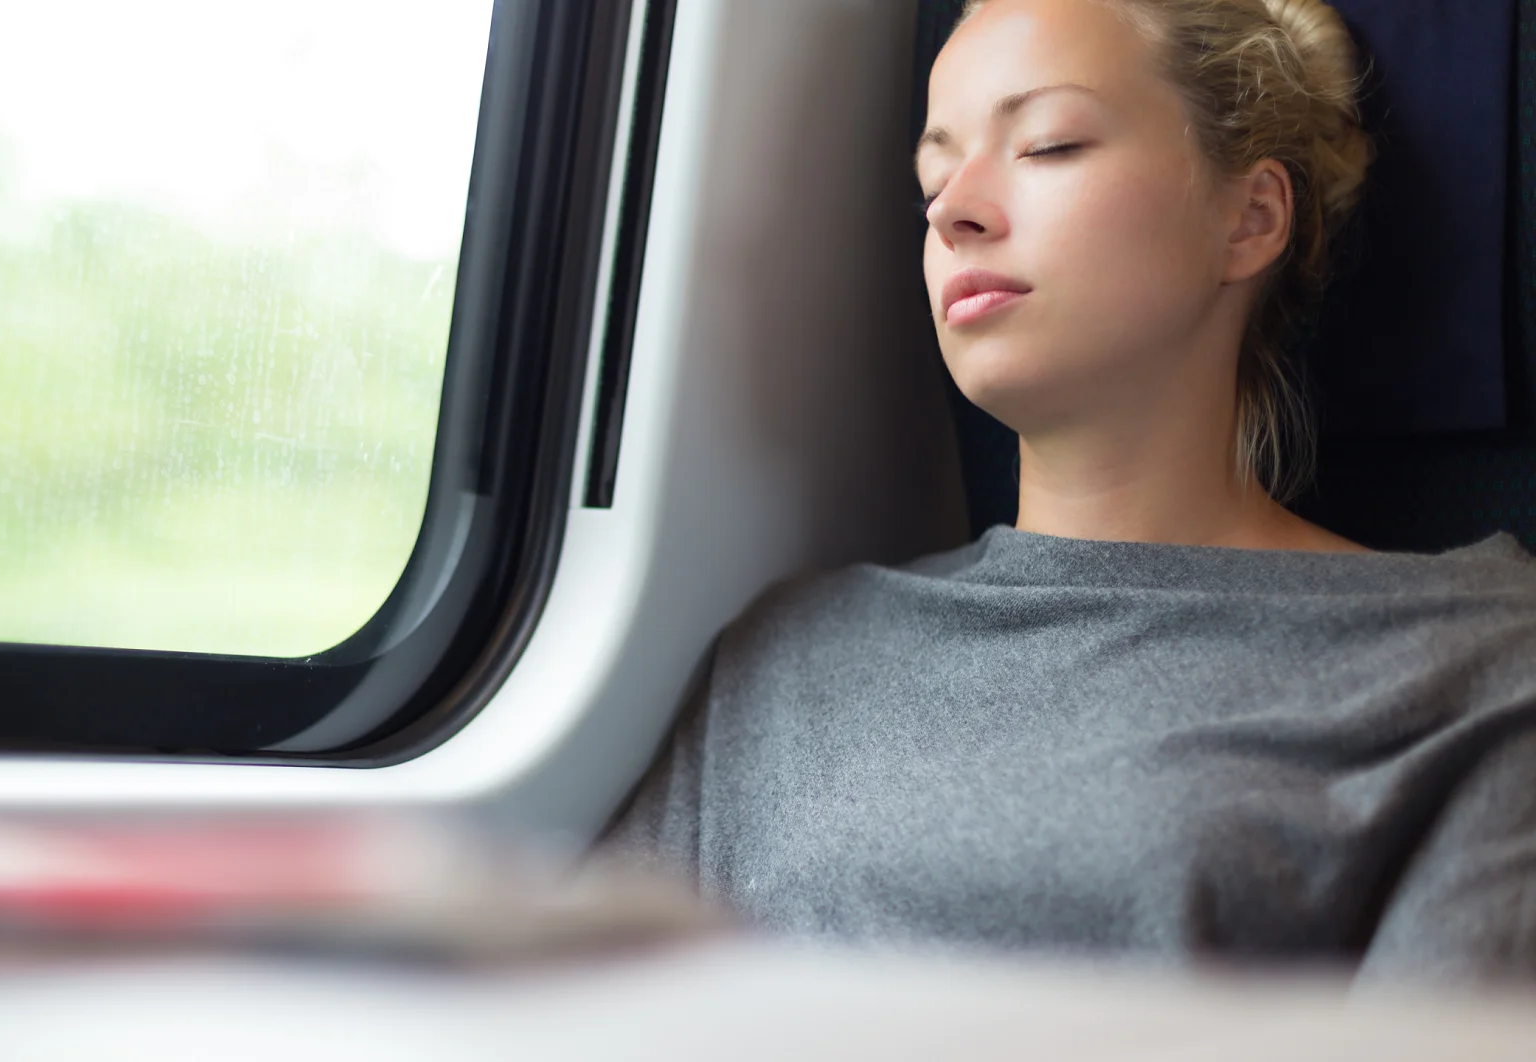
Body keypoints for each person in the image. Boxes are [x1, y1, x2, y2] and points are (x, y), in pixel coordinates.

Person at [605, 0, 1536, 983]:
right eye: (932, 174)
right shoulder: (785, 663)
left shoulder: (1469, 668)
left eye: (1045, 144)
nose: (951, 208)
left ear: (1249, 218)